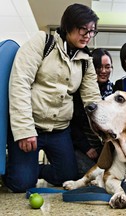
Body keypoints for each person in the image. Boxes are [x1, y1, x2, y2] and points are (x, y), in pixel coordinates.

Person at [3, 3, 102, 192]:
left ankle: (33, 169)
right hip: (31, 125)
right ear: (68, 25)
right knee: (21, 184)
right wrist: (24, 130)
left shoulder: (86, 61)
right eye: (83, 29)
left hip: (60, 130)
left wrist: (106, 130)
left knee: (66, 177)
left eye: (92, 31)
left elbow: (93, 99)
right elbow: (19, 82)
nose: (88, 35)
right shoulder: (43, 42)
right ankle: (20, 169)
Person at [72, 48, 114, 177]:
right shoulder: (79, 92)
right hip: (83, 145)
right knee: (91, 174)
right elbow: (72, 124)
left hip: (105, 146)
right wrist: (86, 147)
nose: (103, 71)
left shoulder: (114, 91)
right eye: (98, 67)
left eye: (107, 67)